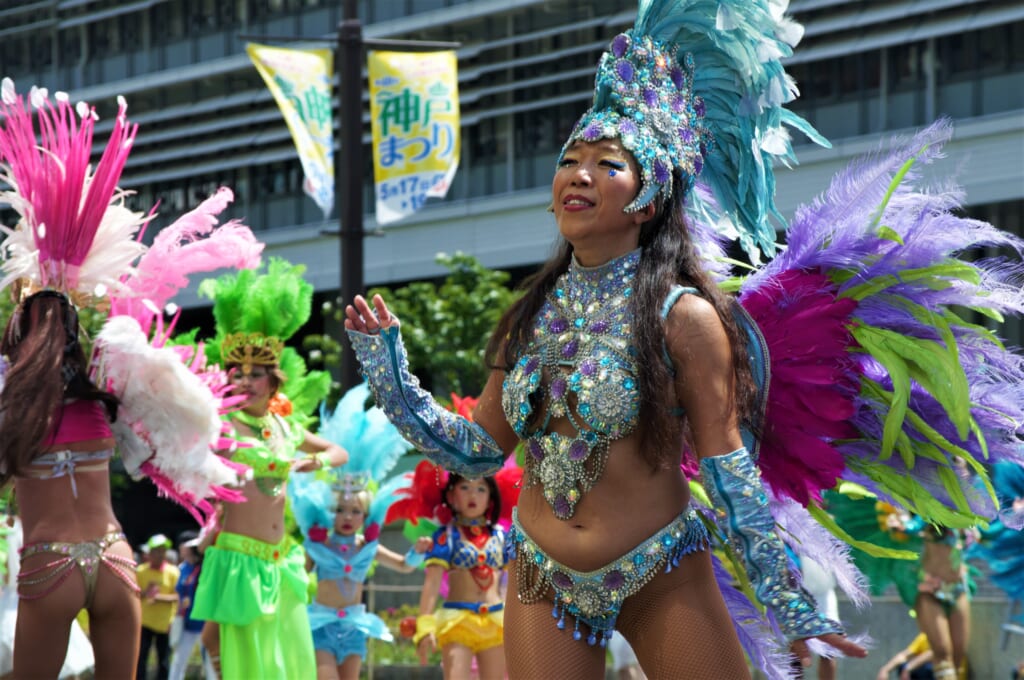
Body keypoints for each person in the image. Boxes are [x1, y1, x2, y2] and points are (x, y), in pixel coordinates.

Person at [345, 2, 866, 676]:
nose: (579, 175)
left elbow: (725, 465)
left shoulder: (684, 318)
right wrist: (388, 369)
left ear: (648, 199)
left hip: (659, 568)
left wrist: (786, 602)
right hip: (540, 574)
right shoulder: (529, 316)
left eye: (606, 165)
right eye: (570, 161)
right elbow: (475, 450)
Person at [191, 259, 349, 680]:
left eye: (255, 375)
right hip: (240, 559)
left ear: (273, 381)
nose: (245, 381)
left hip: (282, 561)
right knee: (248, 661)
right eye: (237, 373)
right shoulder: (222, 425)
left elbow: (339, 452)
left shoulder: (284, 424)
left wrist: (308, 462)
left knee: (290, 660)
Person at [414, 474, 508, 680]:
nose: (473, 494)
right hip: (458, 622)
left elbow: (517, 585)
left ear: (491, 497)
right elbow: (432, 584)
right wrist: (425, 625)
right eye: (465, 487)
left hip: (495, 622)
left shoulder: (502, 536)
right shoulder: (444, 536)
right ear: (451, 495)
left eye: (481, 489)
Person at [168, 533, 216, 680]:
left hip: (204, 623)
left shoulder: (206, 568)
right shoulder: (182, 568)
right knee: (178, 661)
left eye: (190, 546)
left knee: (210, 663)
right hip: (186, 623)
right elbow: (178, 594)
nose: (185, 549)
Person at [137, 533, 180, 680]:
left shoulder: (173, 572)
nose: (160, 554)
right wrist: (145, 592)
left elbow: (177, 597)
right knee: (141, 657)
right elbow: (134, 595)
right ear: (149, 553)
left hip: (164, 623)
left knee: (164, 660)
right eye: (156, 551)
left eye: (162, 550)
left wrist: (159, 598)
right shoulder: (140, 571)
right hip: (145, 622)